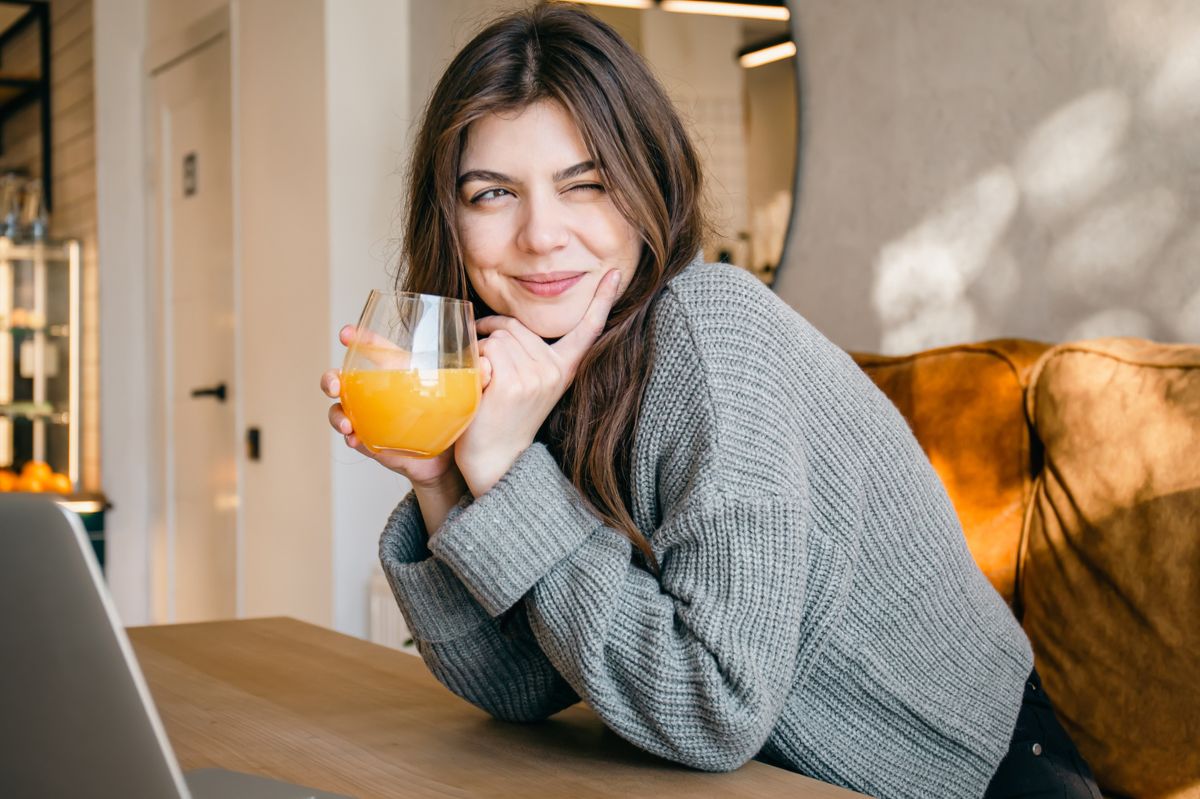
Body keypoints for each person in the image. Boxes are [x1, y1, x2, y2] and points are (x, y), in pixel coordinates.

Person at [320, 5, 1102, 798]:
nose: (541, 234)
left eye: (584, 184)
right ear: (448, 218)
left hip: (975, 778)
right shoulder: (546, 367)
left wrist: (510, 475)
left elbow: (715, 707)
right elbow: (524, 688)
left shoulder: (709, 329)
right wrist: (443, 486)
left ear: (646, 181)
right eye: (492, 193)